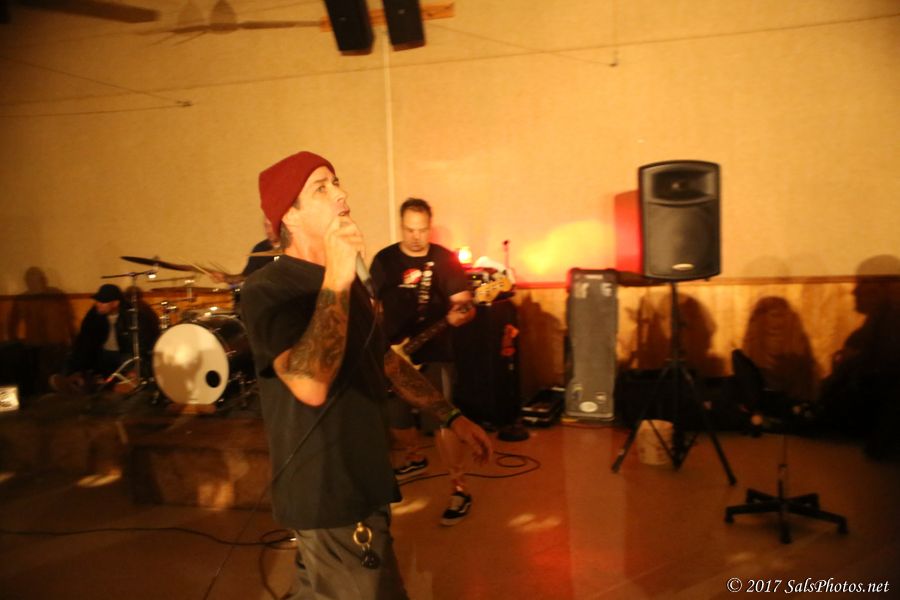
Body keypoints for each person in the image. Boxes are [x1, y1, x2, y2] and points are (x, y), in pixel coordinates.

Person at [240, 151, 492, 599]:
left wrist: (451, 416)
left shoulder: (348, 287)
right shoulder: (269, 289)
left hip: (363, 478)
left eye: (336, 181)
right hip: (329, 493)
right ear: (289, 216)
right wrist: (338, 272)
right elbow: (309, 383)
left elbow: (386, 361)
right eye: (321, 188)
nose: (341, 194)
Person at [369, 198, 479, 526]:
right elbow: (371, 303)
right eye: (409, 230)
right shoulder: (385, 260)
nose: (416, 237)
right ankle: (415, 457)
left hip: (435, 350)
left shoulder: (444, 260)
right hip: (393, 352)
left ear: (429, 226)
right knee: (395, 415)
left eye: (422, 230)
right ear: (401, 226)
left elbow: (464, 304)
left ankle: (459, 489)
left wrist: (462, 314)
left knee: (444, 418)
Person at [50, 283, 159, 394]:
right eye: (97, 301)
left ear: (115, 303)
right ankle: (71, 381)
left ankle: (113, 386)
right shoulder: (94, 314)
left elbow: (143, 344)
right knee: (78, 354)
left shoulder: (132, 315)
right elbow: (84, 338)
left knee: (130, 362)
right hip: (103, 354)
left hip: (123, 354)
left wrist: (135, 369)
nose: (98, 304)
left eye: (103, 302)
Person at [208, 217, 282, 286]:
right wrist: (226, 278)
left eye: (271, 226)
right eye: (266, 226)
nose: (268, 231)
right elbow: (246, 276)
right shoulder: (260, 248)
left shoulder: (288, 248)